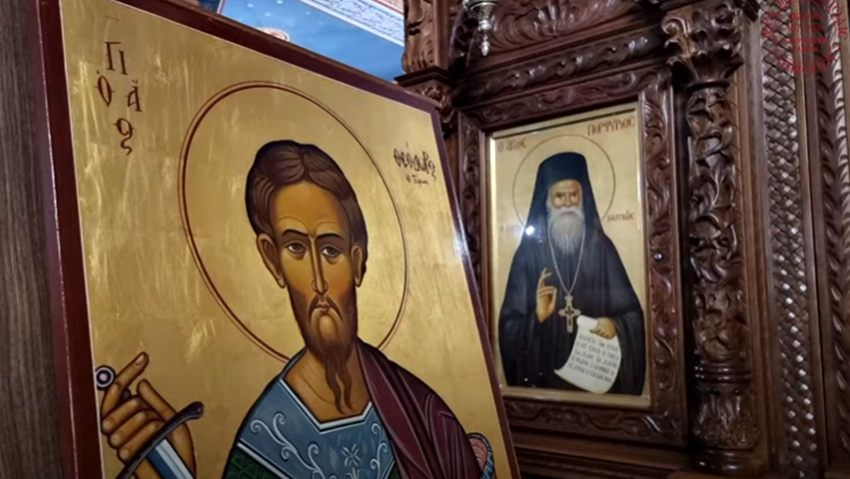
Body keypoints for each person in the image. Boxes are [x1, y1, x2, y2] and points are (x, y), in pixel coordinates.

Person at [98, 140, 494, 479]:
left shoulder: (418, 408)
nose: (319, 281)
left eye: (331, 250)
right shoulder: (265, 441)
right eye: (296, 248)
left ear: (357, 262)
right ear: (273, 260)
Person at [498, 152, 645, 395]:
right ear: (547, 201)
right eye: (559, 196)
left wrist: (616, 326)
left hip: (593, 376)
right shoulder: (527, 254)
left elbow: (632, 313)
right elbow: (508, 326)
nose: (567, 203)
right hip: (545, 379)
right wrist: (536, 317)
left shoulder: (602, 248)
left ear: (583, 197)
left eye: (573, 195)